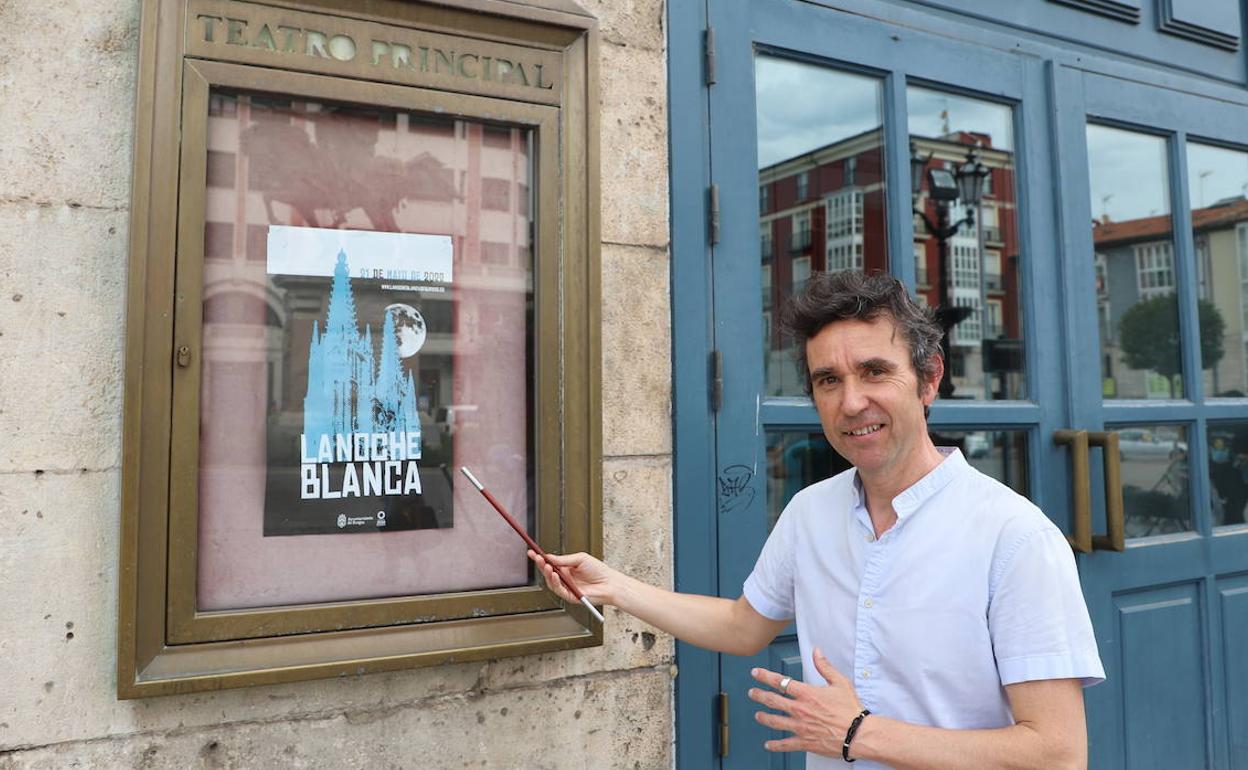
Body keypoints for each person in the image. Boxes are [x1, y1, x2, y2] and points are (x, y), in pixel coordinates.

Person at [530, 270, 1104, 769]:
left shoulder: (1015, 537)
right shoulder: (811, 511)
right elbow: (742, 625)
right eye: (828, 380)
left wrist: (858, 733)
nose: (851, 402)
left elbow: (1057, 754)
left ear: (930, 380)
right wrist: (614, 587)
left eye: (874, 371)